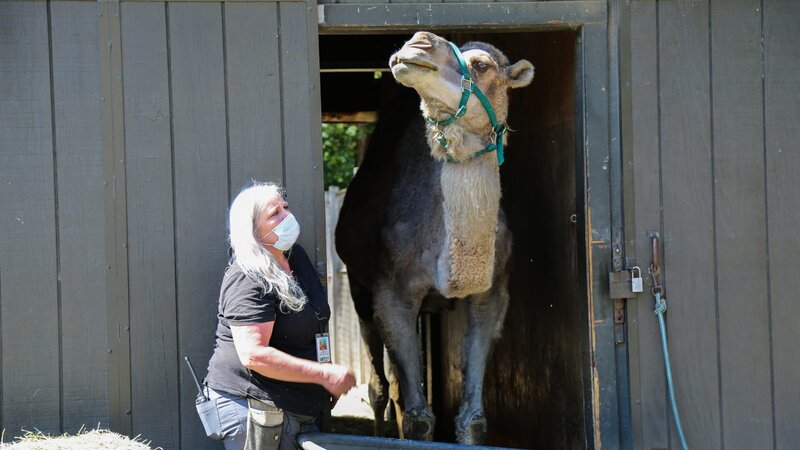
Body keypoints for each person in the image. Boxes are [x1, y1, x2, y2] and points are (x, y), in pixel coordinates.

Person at [201, 181, 356, 450]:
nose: (287, 215)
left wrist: (322, 375)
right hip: (252, 404)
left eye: (286, 207)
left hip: (297, 405)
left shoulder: (296, 258)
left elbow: (314, 323)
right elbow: (254, 354)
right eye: (275, 213)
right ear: (252, 229)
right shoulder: (247, 276)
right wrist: (322, 374)